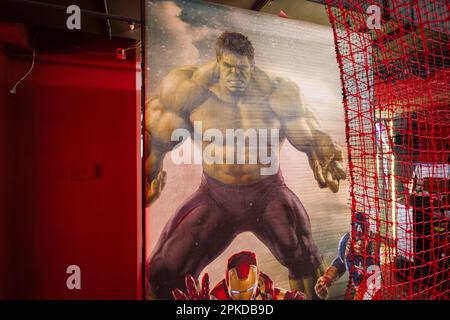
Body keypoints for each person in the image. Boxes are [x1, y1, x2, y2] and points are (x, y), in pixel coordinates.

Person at [146, 31, 346, 299]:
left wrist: (321, 151)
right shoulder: (187, 88)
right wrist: (148, 174)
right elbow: (156, 139)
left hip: (268, 192)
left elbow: (309, 133)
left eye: (242, 69)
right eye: (228, 67)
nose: (235, 75)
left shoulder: (277, 92)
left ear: (252, 65)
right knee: (165, 268)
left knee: (305, 257)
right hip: (216, 196)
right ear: (218, 62)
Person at [172, 251, 305, 300]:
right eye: (235, 292)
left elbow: (289, 296)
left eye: (248, 291)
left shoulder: (265, 290)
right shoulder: (219, 295)